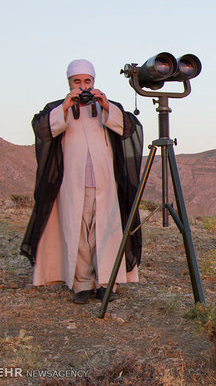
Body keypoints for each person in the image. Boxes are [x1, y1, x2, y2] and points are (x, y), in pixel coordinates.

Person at [21, 59, 143, 304]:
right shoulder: (58, 107)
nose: (83, 86)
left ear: (93, 82)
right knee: (76, 231)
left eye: (87, 81)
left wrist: (106, 105)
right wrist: (65, 107)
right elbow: (42, 128)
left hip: (106, 183)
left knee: (106, 232)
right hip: (72, 184)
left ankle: (106, 283)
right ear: (69, 83)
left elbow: (129, 127)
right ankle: (81, 285)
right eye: (77, 81)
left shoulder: (106, 106)